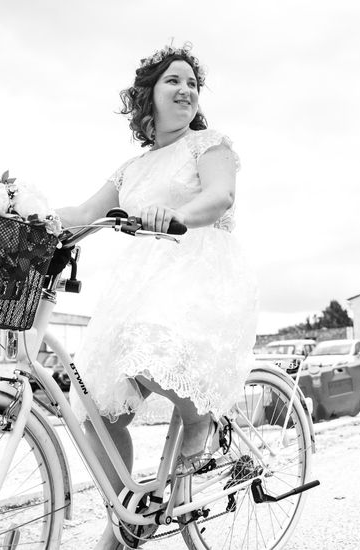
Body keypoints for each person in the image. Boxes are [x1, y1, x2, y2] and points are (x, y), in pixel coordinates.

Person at [56, 43, 258, 549]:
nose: (186, 89)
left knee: (144, 353)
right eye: (174, 80)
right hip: (140, 282)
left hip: (194, 274)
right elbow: (82, 213)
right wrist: (27, 215)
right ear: (148, 97)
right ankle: (124, 516)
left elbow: (220, 196)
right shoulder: (131, 169)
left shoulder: (207, 144)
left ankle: (200, 418)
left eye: (192, 82)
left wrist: (176, 216)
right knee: (100, 411)